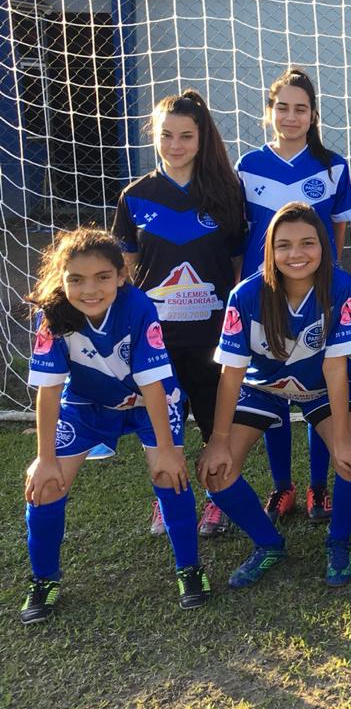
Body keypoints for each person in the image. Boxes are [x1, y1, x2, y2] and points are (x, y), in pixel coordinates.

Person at [22, 228, 208, 623]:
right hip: (88, 404)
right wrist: (44, 458)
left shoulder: (138, 307)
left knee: (167, 472)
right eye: (76, 279)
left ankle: (190, 569)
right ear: (62, 278)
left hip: (147, 402)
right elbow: (50, 391)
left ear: (121, 276)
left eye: (102, 277)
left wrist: (171, 450)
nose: (90, 290)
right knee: (46, 486)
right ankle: (43, 580)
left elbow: (153, 384)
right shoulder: (51, 315)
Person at [197, 203, 351, 588]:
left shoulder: (343, 288)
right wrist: (219, 440)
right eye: (284, 245)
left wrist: (343, 440)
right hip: (262, 388)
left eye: (308, 243)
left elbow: (335, 368)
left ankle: (337, 541)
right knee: (216, 471)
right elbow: (232, 373)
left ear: (324, 246)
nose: (296, 254)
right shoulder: (245, 295)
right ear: (270, 250)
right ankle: (268, 543)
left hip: (321, 387)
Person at [113, 90, 244, 541]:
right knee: (163, 424)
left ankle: (215, 500)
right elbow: (127, 272)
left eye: (186, 136)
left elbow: (234, 267)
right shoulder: (135, 196)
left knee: (214, 420)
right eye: (166, 135)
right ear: (155, 136)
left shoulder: (226, 193)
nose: (175, 145)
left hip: (212, 336)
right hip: (158, 340)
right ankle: (167, 496)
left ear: (201, 139)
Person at [237, 68, 351, 525]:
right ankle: (282, 486)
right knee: (272, 385)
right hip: (264, 299)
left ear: (313, 115)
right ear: (270, 113)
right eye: (282, 107)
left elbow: (339, 232)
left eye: (300, 108)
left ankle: (318, 487)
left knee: (320, 388)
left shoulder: (332, 166)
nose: (290, 116)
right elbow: (242, 234)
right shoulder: (248, 166)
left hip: (318, 297)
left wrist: (326, 286)